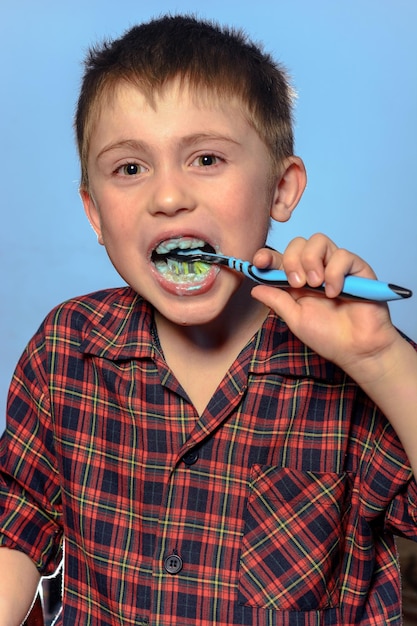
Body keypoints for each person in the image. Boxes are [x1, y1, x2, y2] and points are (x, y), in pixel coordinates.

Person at [0, 14, 416, 626]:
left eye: (206, 158)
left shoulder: (354, 361)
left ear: (280, 188)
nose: (168, 197)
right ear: (94, 214)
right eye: (130, 169)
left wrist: (380, 360)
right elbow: (17, 523)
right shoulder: (66, 349)